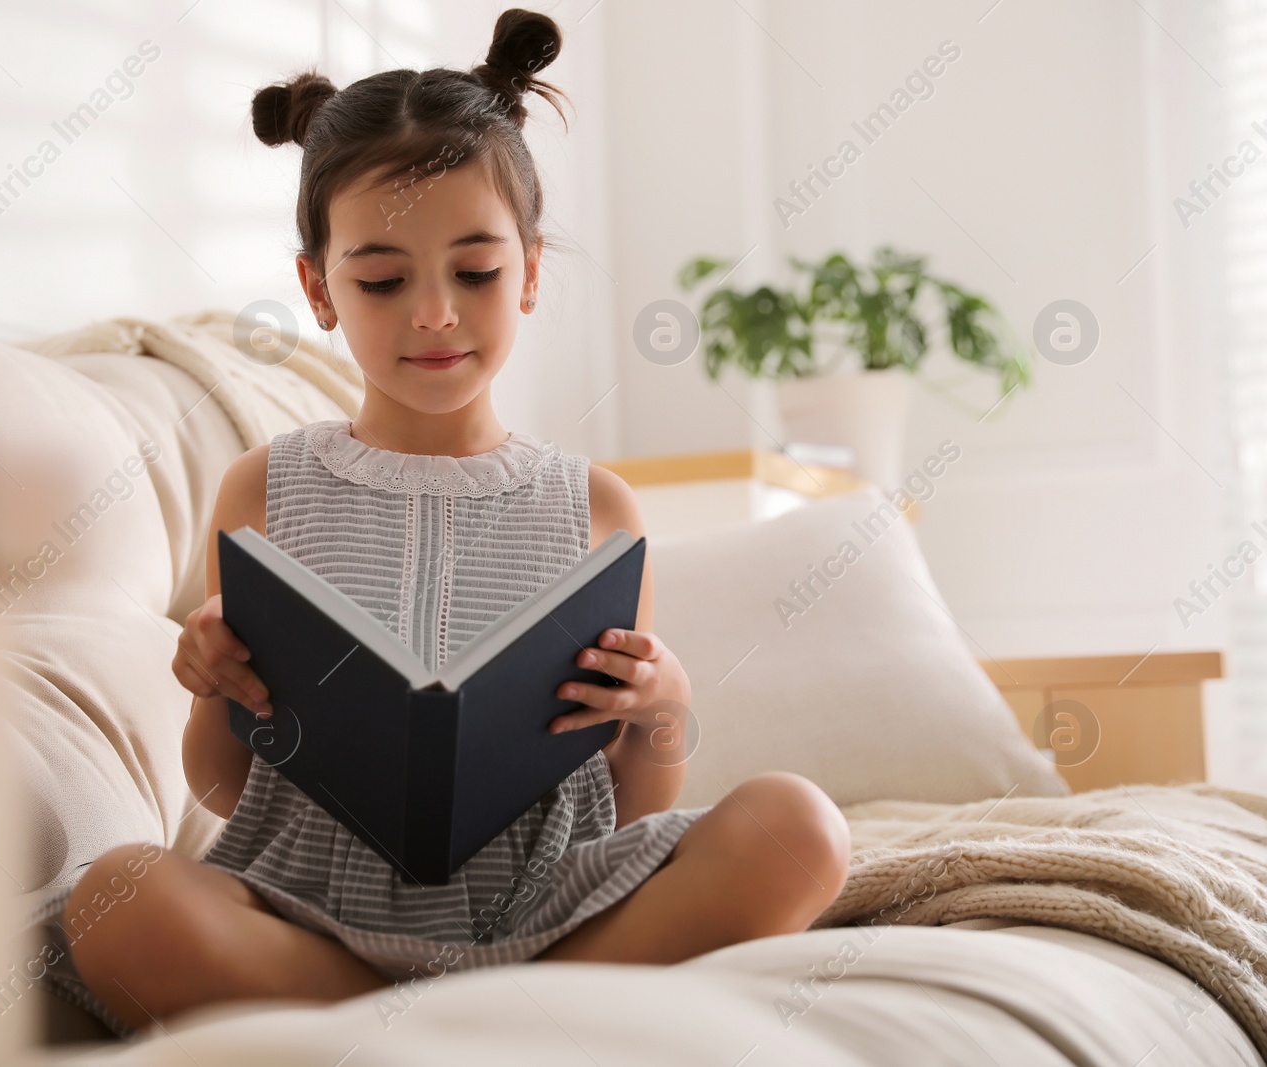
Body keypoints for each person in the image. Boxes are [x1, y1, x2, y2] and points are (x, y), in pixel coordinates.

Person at [63, 8, 850, 1034]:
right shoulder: (263, 490)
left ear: (527, 272)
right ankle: (505, 1026)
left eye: (474, 272)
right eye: (383, 279)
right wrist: (213, 687)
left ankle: (406, 1027)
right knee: (115, 895)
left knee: (800, 827)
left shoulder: (595, 508)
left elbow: (635, 800)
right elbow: (223, 782)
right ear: (319, 289)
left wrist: (661, 707)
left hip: (548, 904)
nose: (433, 311)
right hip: (310, 910)